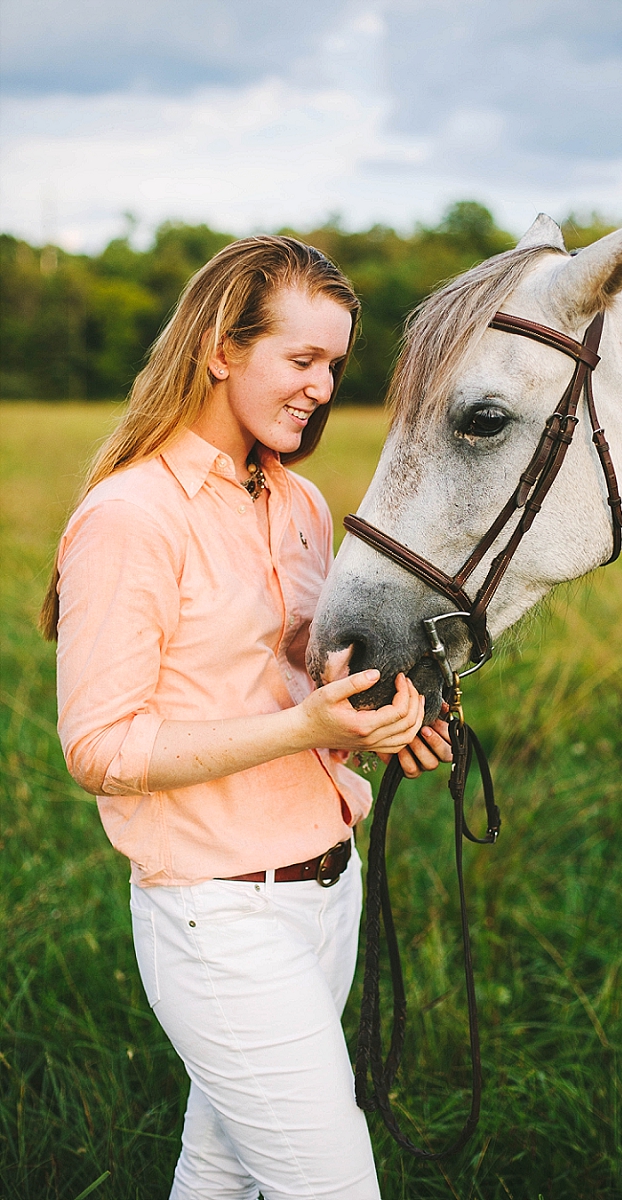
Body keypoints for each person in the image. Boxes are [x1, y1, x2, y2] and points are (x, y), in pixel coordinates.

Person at [41, 236, 451, 1200]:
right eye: (301, 360)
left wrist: (395, 719)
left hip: (325, 894)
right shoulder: (132, 516)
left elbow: (305, 678)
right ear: (221, 347)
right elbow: (99, 750)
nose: (321, 387)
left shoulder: (302, 503)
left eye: (335, 366)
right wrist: (307, 729)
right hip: (217, 914)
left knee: (219, 1172)